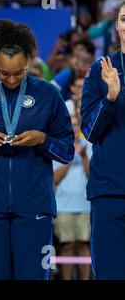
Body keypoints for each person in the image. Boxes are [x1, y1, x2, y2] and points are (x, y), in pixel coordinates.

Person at [0, 19, 75, 280]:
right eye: (4, 73)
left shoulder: (48, 95)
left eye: (18, 73)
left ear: (29, 62)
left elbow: (67, 151)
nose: (10, 79)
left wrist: (43, 140)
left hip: (35, 205)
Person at [81, 1, 125, 280]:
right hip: (110, 192)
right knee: (110, 274)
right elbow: (90, 131)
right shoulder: (101, 69)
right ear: (118, 26)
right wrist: (110, 99)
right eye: (124, 18)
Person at [53, 113, 91, 280]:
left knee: (84, 245)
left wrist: (83, 156)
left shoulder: (89, 146)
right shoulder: (57, 147)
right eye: (72, 126)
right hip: (63, 205)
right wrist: (69, 158)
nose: (74, 129)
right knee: (66, 246)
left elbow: (93, 175)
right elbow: (54, 179)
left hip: (85, 205)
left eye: (77, 126)